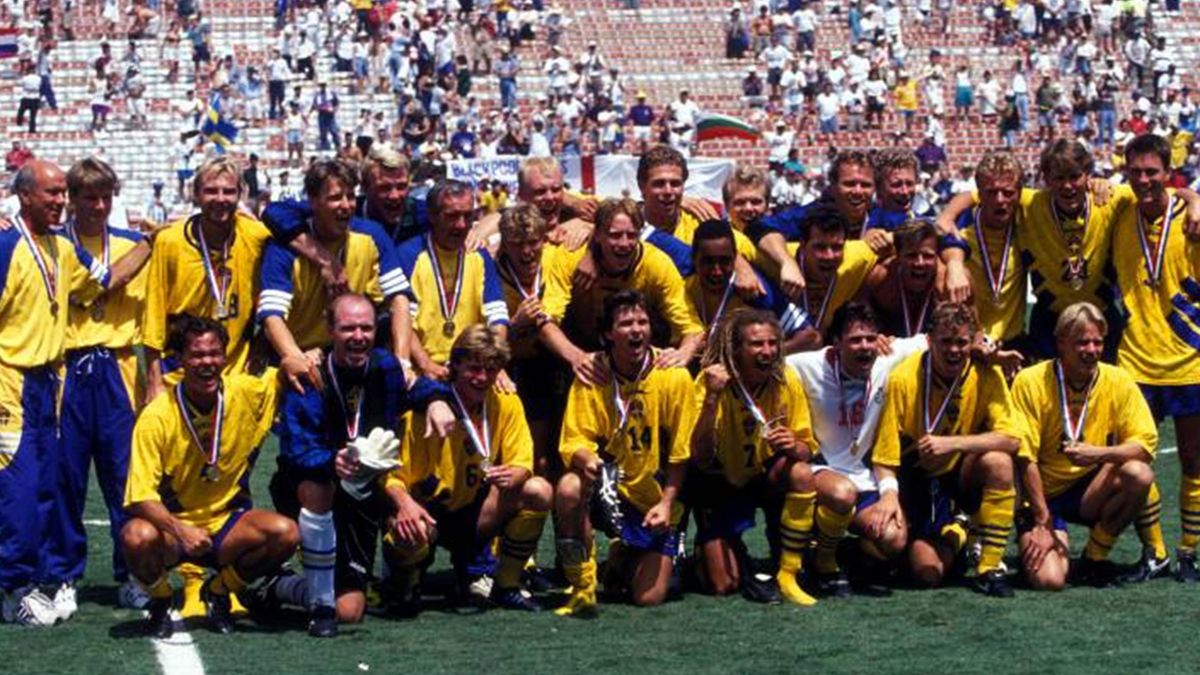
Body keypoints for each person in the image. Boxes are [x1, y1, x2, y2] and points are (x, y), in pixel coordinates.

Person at [264, 294, 453, 635]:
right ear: (330, 330)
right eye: (348, 328)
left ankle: (281, 586)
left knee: (350, 611)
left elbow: (415, 388)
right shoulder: (309, 374)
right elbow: (295, 450)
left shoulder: (385, 367)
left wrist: (437, 399)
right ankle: (320, 604)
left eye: (366, 328)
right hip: (311, 487)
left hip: (363, 494)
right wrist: (332, 461)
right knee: (319, 487)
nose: (358, 336)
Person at [120, 315, 300, 637]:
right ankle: (161, 599)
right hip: (175, 533)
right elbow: (139, 497)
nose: (207, 363)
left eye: (215, 353)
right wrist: (182, 530)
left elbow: (285, 374)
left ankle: (218, 591)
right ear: (181, 360)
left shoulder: (245, 392)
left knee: (286, 533)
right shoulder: (157, 415)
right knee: (136, 536)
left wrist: (302, 356)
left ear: (225, 356)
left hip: (228, 525)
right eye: (197, 355)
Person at [40, 158, 157, 620]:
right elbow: (108, 281)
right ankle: (64, 575)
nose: (99, 206)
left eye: (106, 197)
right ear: (72, 199)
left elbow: (152, 313)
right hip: (68, 367)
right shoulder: (55, 245)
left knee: (124, 477)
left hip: (118, 367)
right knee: (66, 477)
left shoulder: (128, 242)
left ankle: (132, 574)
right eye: (89, 197)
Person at [0, 161, 113, 626]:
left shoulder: (62, 247)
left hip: (50, 382)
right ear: (24, 196)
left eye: (63, 193)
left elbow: (104, 280)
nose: (60, 201)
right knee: (19, 487)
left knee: (48, 483)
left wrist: (151, 244)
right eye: (50, 193)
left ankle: (34, 580)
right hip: (10, 380)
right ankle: (11, 591)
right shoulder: (6, 245)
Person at [381, 325, 553, 613]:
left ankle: (506, 584)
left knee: (539, 490)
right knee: (410, 526)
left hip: (475, 509)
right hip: (429, 511)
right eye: (474, 368)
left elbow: (523, 462)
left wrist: (515, 474)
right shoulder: (426, 410)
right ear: (455, 365)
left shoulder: (505, 401)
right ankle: (405, 583)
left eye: (490, 369)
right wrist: (405, 505)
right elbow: (393, 478)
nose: (482, 377)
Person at [554, 291, 697, 615]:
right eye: (626, 323)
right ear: (608, 334)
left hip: (653, 498)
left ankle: (623, 555)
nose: (636, 330)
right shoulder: (592, 374)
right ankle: (583, 585)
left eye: (642, 322)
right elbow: (573, 440)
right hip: (609, 486)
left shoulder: (674, 376)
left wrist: (666, 503)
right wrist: (590, 461)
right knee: (569, 488)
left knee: (648, 597)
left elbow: (681, 453)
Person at [874, 301, 1022, 598]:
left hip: (960, 472)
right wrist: (888, 496)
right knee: (926, 571)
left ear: (972, 342)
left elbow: (1012, 439)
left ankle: (989, 567)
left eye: (962, 342)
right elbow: (884, 456)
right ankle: (960, 531)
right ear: (929, 341)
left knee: (999, 462)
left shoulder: (986, 374)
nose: (954, 350)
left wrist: (953, 443)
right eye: (946, 342)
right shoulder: (903, 378)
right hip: (916, 476)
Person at [1013, 302, 1159, 590]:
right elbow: (1024, 458)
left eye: (1097, 342)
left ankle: (1094, 557)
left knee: (1139, 474)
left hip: (1090, 490)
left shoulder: (1118, 379)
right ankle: (1031, 536)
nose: (1091, 350)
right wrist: (1041, 519)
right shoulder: (1030, 381)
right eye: (1082, 342)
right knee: (1049, 580)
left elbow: (1145, 446)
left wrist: (1098, 453)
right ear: (1060, 343)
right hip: (1043, 493)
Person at [1110, 134, 1200, 582]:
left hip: (1190, 359)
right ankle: (1156, 552)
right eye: (1136, 172)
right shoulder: (1118, 209)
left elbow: (1187, 196)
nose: (1144, 180)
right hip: (1135, 362)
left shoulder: (1192, 218)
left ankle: (1189, 552)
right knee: (1137, 463)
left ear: (1169, 173)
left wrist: (1194, 199)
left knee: (1194, 461)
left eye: (1152, 172)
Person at [788, 303, 925, 596]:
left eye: (870, 338)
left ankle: (843, 552)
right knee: (842, 493)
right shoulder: (806, 365)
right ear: (836, 342)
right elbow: (763, 359)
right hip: (819, 469)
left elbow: (936, 338)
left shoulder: (888, 358)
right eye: (855, 340)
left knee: (894, 539)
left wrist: (984, 347)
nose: (865, 347)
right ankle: (825, 563)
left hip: (864, 476)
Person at [689, 308, 820, 605]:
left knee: (800, 472)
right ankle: (705, 554)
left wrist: (793, 445)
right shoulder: (712, 382)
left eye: (773, 343)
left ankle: (789, 571)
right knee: (724, 584)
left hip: (764, 477)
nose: (768, 351)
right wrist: (711, 399)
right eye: (757, 344)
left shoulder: (786, 378)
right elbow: (700, 458)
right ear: (736, 350)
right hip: (720, 481)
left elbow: (807, 449)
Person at [258, 159, 414, 383]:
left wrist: (403, 362)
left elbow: (399, 299)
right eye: (335, 198)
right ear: (313, 202)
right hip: (300, 354)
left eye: (350, 196)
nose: (346, 205)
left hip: (354, 353)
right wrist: (296, 358)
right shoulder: (285, 247)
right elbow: (272, 315)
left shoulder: (372, 235)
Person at [542, 198, 703, 367]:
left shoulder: (657, 263)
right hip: (581, 349)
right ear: (597, 235)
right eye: (615, 235)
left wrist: (683, 354)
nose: (624, 244)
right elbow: (545, 320)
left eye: (632, 235)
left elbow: (692, 327)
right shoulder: (571, 257)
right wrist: (578, 358)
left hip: (638, 355)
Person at [396, 180, 509, 378]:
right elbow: (403, 322)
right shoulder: (408, 256)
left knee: (509, 396)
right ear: (432, 216)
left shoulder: (479, 255)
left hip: (475, 368)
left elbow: (497, 317)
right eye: (452, 216)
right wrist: (426, 364)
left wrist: (493, 362)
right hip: (421, 369)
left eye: (468, 216)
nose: (461, 225)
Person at [684, 219, 814, 353]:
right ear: (694, 259)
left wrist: (763, 355)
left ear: (735, 259)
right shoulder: (683, 289)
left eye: (724, 261)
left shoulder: (754, 291)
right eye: (708, 262)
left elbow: (811, 337)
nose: (717, 271)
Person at [861, 220, 944, 338]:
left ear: (937, 257)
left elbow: (968, 331)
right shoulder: (880, 278)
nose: (920, 263)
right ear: (898, 256)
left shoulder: (948, 285)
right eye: (911, 255)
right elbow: (856, 319)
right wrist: (872, 337)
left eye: (928, 256)